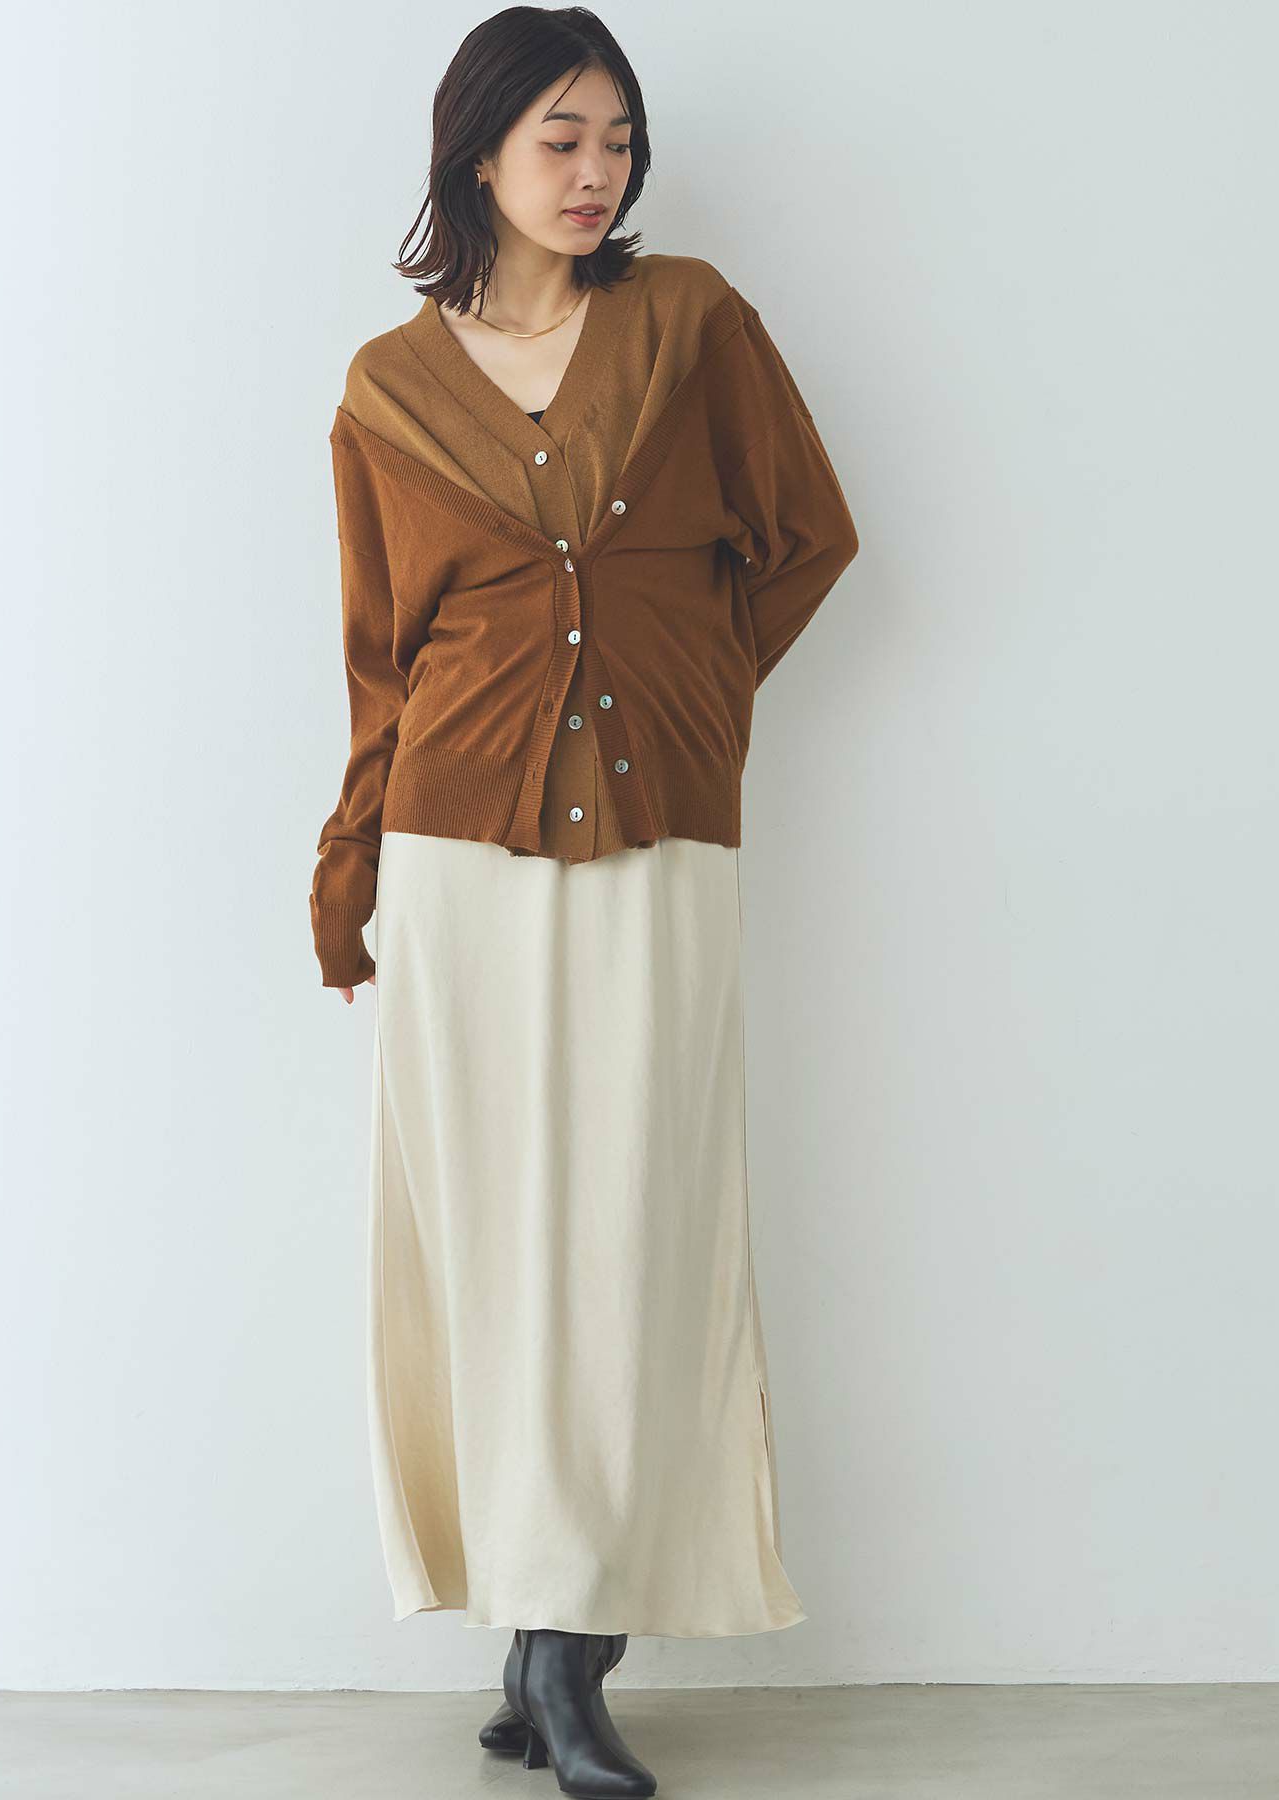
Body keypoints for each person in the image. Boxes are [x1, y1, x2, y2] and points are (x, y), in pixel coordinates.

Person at [309, 10, 859, 1794]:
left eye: (618, 140)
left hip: (658, 832)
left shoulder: (690, 322)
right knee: (491, 1239)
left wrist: (690, 694)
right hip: (456, 842)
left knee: (636, 1221)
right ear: (477, 148)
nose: (596, 171)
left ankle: (570, 1637)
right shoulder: (389, 388)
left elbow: (807, 537)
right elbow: (383, 658)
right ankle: (541, 1632)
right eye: (561, 137)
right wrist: (347, 864)